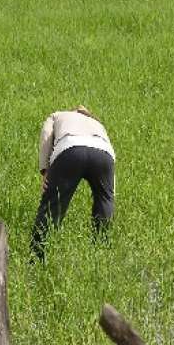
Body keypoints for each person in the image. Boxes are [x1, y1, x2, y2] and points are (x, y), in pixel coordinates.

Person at [30, 105, 115, 262]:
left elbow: (46, 136)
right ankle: (102, 253)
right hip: (104, 153)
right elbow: (109, 148)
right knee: (104, 200)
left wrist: (45, 170)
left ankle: (36, 258)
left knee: (52, 205)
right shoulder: (96, 122)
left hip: (70, 148)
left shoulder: (57, 115)